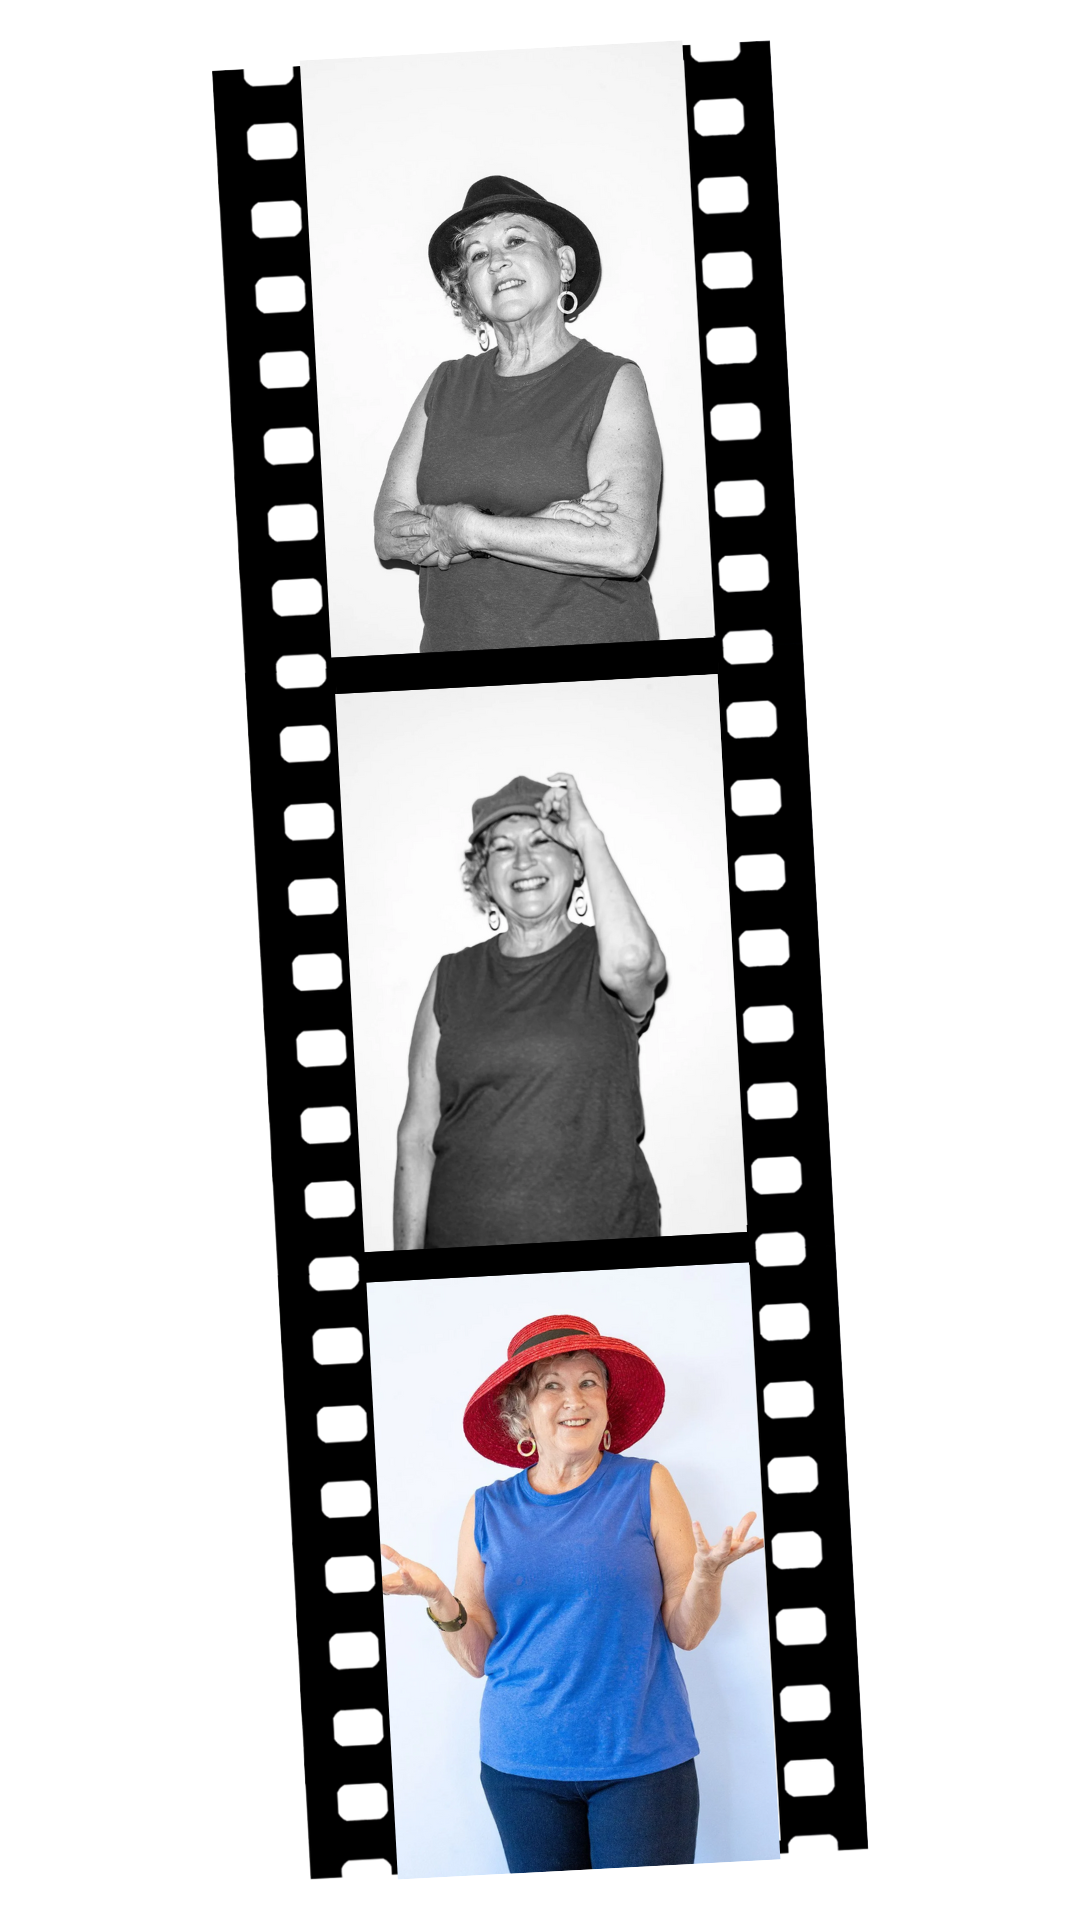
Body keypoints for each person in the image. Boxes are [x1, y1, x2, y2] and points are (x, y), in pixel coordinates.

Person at [380, 1312, 765, 1886]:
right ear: (522, 1412)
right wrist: (438, 1596)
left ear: (607, 1405)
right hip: (521, 1769)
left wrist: (707, 1578)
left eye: (589, 1381)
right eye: (552, 1385)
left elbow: (686, 1631)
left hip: (642, 1763)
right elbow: (476, 1658)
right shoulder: (487, 1508)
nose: (574, 1399)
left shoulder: (647, 1484)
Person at [373, 175, 663, 651]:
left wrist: (468, 529)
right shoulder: (444, 384)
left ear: (564, 263)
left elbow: (624, 548)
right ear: (467, 288)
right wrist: (538, 525)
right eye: (477, 254)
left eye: (515, 239)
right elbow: (389, 535)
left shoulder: (612, 379)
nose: (497, 260)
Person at [393, 772, 666, 1249]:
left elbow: (634, 963)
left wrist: (588, 835)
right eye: (501, 848)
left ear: (576, 865)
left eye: (542, 840)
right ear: (484, 875)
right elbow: (417, 1134)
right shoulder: (452, 976)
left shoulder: (603, 959)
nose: (523, 860)